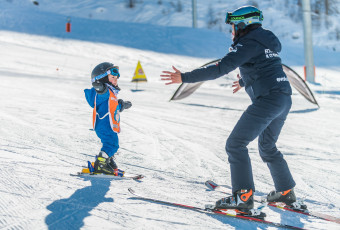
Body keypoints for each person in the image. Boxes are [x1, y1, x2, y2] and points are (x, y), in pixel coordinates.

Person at [161, 6, 298, 211]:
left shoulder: (248, 42)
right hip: (283, 98)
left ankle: (243, 198)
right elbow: (264, 65)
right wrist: (244, 82)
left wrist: (185, 77)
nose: (232, 31)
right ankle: (286, 193)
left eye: (233, 26)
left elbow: (220, 68)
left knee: (235, 144)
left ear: (243, 25)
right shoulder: (265, 40)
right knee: (268, 147)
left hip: (268, 100)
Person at [84, 62, 132, 175]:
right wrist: (100, 88)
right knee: (112, 144)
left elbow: (114, 105)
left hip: (107, 126)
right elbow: (100, 95)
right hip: (104, 125)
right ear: (103, 79)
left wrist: (123, 105)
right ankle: (101, 164)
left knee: (111, 144)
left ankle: (107, 161)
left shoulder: (111, 94)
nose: (115, 80)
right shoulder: (103, 93)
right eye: (113, 77)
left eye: (116, 78)